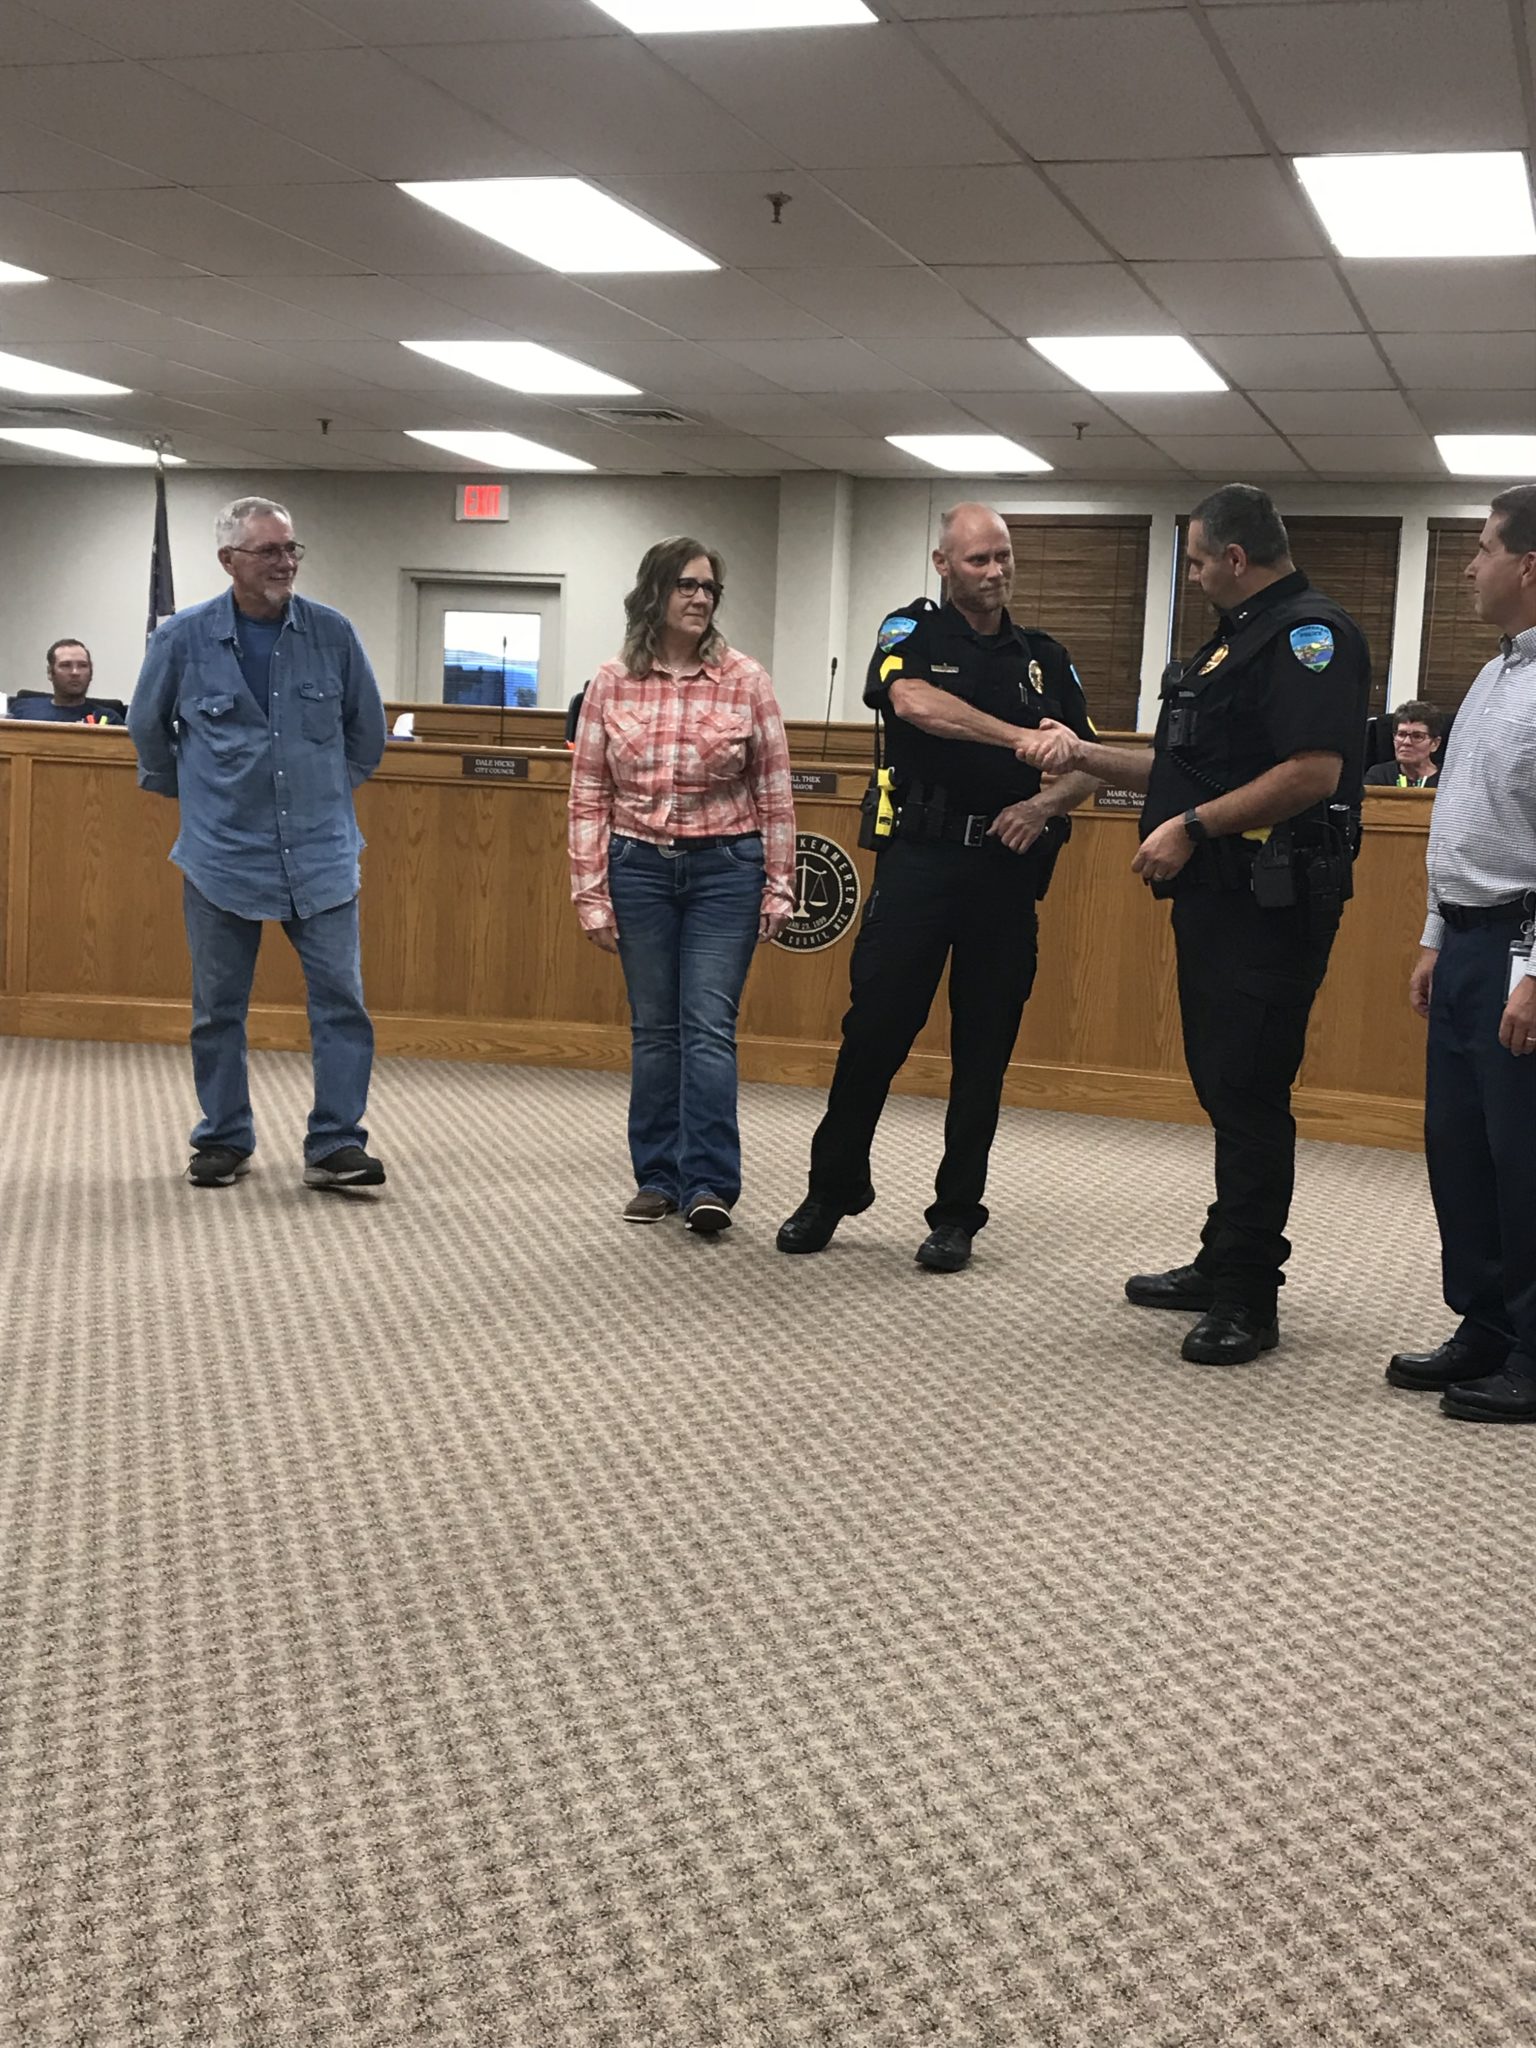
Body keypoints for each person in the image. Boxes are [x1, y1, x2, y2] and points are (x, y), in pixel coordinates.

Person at [1019, 484, 1369, 1363]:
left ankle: (1249, 1295)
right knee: (1223, 1082)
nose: (1198, 574)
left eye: (1202, 560)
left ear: (1237, 558)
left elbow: (1314, 772)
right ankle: (1223, 1260)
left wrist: (1193, 827)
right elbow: (1184, 770)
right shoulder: (1232, 642)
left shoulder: (1309, 636)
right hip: (1221, 898)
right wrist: (1085, 753)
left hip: (1270, 900)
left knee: (1248, 1091)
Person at [776, 502, 1098, 1273]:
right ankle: (833, 1188)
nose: (995, 572)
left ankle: (956, 1214)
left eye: (1004, 557)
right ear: (943, 563)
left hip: (1004, 871)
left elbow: (1084, 761)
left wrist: (1042, 805)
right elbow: (913, 703)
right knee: (874, 1033)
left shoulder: (1044, 657)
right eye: (979, 559)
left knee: (983, 1050)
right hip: (920, 861)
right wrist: (1018, 736)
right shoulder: (912, 630)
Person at [128, 495, 388, 1193]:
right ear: (229, 560)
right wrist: (199, 797)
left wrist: (322, 790)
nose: (285, 563)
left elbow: (367, 734)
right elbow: (148, 728)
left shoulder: (332, 634)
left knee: (341, 1004)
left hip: (321, 854)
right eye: (269, 551)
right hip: (221, 856)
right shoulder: (182, 639)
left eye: (290, 549)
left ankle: (336, 1143)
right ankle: (223, 1137)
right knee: (218, 1009)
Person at [568, 536, 794, 1235]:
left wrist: (779, 884)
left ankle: (709, 1183)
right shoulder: (611, 682)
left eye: (709, 589)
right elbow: (588, 795)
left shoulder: (745, 680)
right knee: (655, 1032)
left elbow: (774, 791)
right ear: (654, 594)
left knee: (707, 1029)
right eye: (687, 586)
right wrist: (590, 891)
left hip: (725, 870)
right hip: (638, 868)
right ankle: (657, 1178)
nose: (700, 599)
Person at [1387, 485, 1536, 1424]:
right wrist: (1436, 936)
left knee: (1524, 1158)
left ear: (1530, 565)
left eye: (1484, 549)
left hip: (1524, 945)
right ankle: (1484, 1324)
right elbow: (1465, 818)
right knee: (1462, 1148)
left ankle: (1534, 1350)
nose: (1471, 566)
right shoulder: (1491, 676)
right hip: (1467, 942)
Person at [7, 639, 125, 724]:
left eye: (83, 665)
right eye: (66, 665)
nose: (75, 672)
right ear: (50, 672)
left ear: (91, 673)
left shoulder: (108, 719)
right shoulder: (22, 709)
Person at [1363, 701, 1442, 788]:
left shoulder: (1447, 781)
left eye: (1417, 736)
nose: (1406, 742)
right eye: (1401, 735)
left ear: (1435, 744)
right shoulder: (1378, 775)